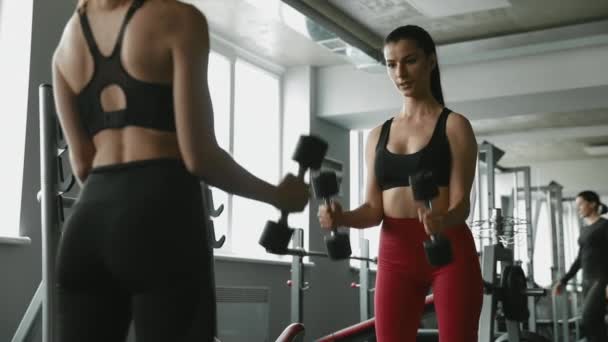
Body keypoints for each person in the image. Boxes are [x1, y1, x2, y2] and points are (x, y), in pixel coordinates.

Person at [51, 0, 309, 341]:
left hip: (86, 229)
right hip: (160, 213)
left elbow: (82, 163)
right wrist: (278, 195)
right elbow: (200, 157)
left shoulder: (65, 45)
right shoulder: (179, 18)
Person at [318, 25, 482, 342]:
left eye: (410, 61)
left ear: (431, 61)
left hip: (448, 249)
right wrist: (342, 217)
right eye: (391, 64)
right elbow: (373, 210)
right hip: (395, 252)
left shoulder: (455, 126)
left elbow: (462, 203)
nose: (400, 73)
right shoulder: (378, 134)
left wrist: (442, 219)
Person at [553, 190, 608, 342]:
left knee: (587, 319)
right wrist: (563, 280)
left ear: (592, 204)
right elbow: (580, 259)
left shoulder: (604, 226)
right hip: (587, 281)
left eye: (581, 204)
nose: (578, 208)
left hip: (601, 280)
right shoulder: (584, 230)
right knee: (595, 322)